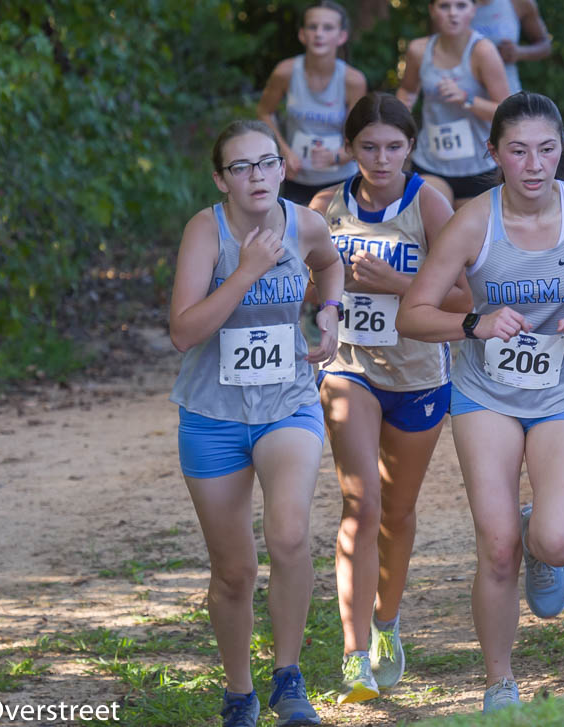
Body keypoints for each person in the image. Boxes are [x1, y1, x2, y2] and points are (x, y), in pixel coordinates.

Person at [396, 92, 564, 712]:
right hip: (486, 395)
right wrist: (473, 323)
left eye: (546, 149)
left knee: (559, 541)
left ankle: (544, 536)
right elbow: (413, 313)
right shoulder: (473, 223)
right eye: (518, 151)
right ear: (495, 154)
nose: (534, 164)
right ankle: (499, 684)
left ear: (560, 152)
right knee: (497, 544)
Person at [168, 120, 343, 727]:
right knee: (235, 571)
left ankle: (288, 678)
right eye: (241, 167)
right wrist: (244, 270)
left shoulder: (305, 224)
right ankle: (238, 693)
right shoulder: (205, 232)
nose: (257, 176)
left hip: (287, 404)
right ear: (221, 180)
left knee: (290, 535)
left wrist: (330, 312)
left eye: (266, 163)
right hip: (212, 415)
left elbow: (329, 265)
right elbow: (183, 333)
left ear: (282, 168)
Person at [308, 93, 473, 705]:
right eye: (369, 146)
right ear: (350, 148)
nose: (381, 159)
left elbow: (462, 297)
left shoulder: (428, 201)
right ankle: (353, 654)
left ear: (411, 147)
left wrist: (398, 283)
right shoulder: (326, 206)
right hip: (350, 368)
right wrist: (325, 285)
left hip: (419, 375)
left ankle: (385, 624)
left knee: (397, 513)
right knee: (362, 505)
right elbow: (297, 282)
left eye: (394, 147)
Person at [397, 0, 511, 209]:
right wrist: (397, 122)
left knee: (471, 240)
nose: (452, 13)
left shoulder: (483, 52)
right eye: (444, 6)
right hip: (431, 162)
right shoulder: (419, 50)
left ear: (473, 9)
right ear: (432, 10)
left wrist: (466, 99)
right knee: (434, 231)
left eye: (461, 5)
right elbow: (407, 92)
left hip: (478, 166)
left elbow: (506, 111)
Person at [258, 0, 369, 205]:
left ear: (342, 36)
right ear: (302, 34)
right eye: (312, 27)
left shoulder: (353, 80)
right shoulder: (286, 72)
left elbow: (361, 135)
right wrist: (282, 151)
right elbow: (264, 113)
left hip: (341, 179)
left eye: (328, 28)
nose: (319, 34)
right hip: (296, 177)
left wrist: (337, 157)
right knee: (298, 236)